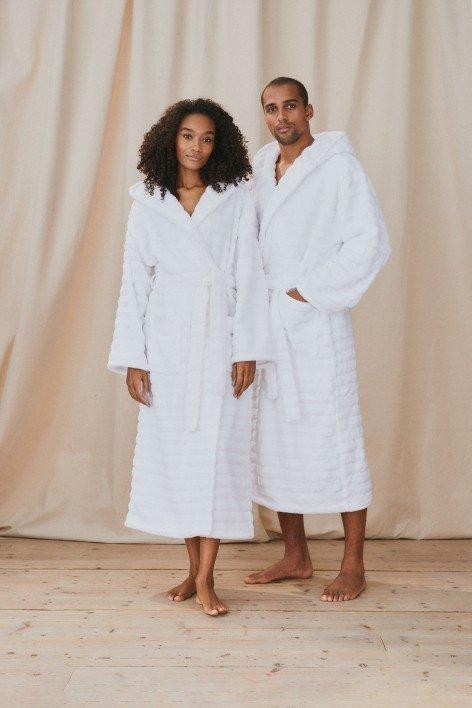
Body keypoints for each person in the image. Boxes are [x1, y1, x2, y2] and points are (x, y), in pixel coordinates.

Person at [107, 98, 272, 616]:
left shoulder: (234, 198)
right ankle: (191, 569)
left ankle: (205, 578)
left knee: (217, 456)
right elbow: (133, 284)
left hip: (220, 337)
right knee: (178, 455)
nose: (196, 147)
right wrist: (136, 357)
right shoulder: (148, 201)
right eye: (186, 136)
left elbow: (249, 276)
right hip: (169, 339)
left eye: (206, 138)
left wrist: (246, 347)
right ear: (170, 140)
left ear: (217, 144)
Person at [247, 77, 391, 601]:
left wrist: (306, 292)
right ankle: (296, 554)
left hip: (314, 324)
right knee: (277, 442)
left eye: (290, 106)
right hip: (270, 327)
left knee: (337, 438)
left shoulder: (337, 167)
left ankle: (354, 563)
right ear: (264, 115)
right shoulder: (261, 168)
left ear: (309, 109)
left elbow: (370, 241)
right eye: (271, 109)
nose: (281, 116)